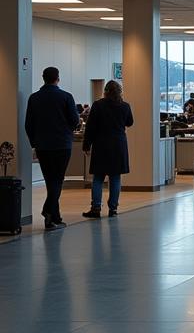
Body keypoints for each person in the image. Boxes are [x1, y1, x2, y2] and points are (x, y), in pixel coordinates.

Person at [24, 66, 79, 230]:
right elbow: (75, 121)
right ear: (58, 78)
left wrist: (35, 143)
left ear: (43, 78)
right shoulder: (66, 97)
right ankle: (48, 211)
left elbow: (28, 125)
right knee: (58, 179)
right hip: (62, 145)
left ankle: (54, 217)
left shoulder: (34, 98)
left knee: (50, 180)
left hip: (43, 146)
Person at [82, 80, 133, 219]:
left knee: (98, 177)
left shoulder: (98, 105)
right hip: (118, 145)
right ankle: (113, 208)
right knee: (115, 177)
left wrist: (86, 145)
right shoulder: (125, 106)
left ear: (105, 91)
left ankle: (96, 208)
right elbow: (130, 122)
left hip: (101, 145)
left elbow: (90, 127)